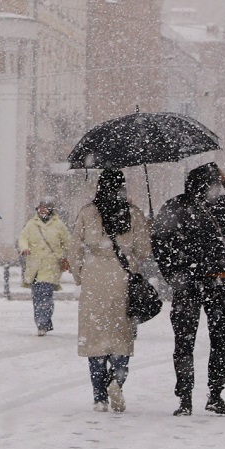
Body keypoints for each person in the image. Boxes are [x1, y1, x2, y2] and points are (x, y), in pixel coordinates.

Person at [151, 162, 225, 416]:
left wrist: (173, 275)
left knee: (185, 342)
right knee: (219, 340)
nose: (217, 190)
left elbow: (159, 246)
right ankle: (214, 394)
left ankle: (186, 397)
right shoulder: (217, 207)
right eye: (215, 185)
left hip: (189, 284)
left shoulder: (174, 206)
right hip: (214, 280)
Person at [70, 169, 151, 413]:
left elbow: (74, 249)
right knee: (121, 337)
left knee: (94, 338)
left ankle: (99, 397)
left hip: (95, 277)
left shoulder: (87, 212)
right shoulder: (133, 214)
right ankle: (116, 381)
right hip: (122, 277)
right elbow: (144, 251)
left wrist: (80, 274)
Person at [18, 196, 71, 336]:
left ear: (50, 210)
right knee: (37, 297)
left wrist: (69, 258)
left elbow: (68, 243)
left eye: (45, 208)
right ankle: (42, 322)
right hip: (34, 266)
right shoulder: (31, 224)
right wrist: (24, 248)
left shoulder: (59, 225)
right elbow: (22, 238)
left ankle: (43, 322)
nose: (42, 211)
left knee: (46, 295)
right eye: (40, 208)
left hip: (51, 265)